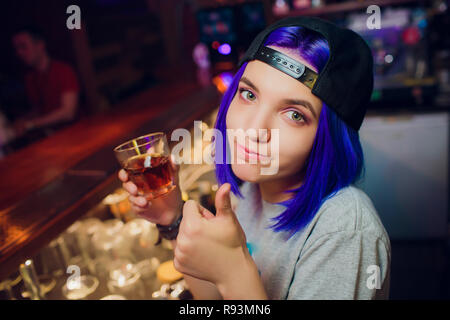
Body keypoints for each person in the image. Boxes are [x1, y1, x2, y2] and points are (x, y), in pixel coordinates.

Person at [118, 16, 391, 300]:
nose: (253, 129)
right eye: (248, 94)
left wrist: (234, 273)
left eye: (295, 114)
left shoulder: (345, 232)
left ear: (329, 139)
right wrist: (171, 218)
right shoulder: (248, 192)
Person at [11, 26, 80, 137]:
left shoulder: (62, 70)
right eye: (17, 49)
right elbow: (40, 110)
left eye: (23, 46)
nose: (20, 53)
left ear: (40, 45)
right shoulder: (30, 78)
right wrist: (23, 120)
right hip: (50, 137)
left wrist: (30, 124)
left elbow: (68, 113)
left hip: (74, 133)